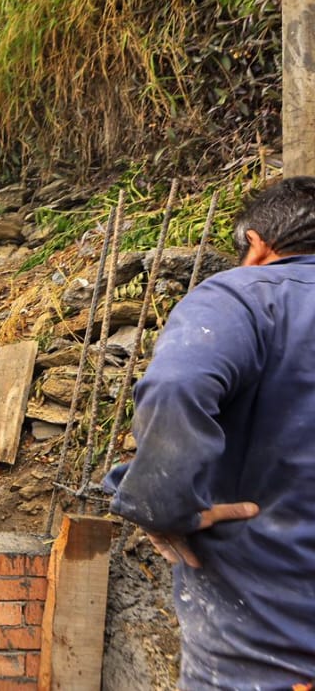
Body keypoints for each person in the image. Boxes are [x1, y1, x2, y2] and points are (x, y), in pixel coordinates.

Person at [104, 176, 315, 689]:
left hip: (263, 648)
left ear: (257, 244)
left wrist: (162, 504)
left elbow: (178, 385)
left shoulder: (245, 296)